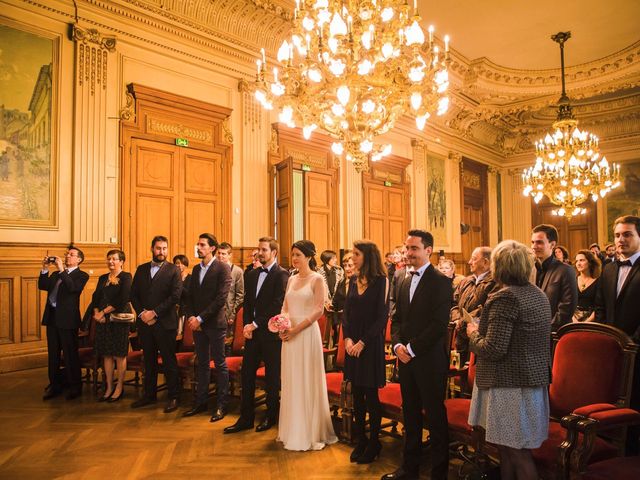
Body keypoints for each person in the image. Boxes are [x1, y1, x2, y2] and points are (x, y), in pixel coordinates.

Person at [467, 240, 551, 480]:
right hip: (531, 382)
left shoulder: (505, 298)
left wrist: (473, 333)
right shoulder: (538, 295)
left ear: (498, 267)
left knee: (516, 451)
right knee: (508, 448)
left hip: (509, 385)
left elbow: (493, 348)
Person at [382, 230, 452, 480]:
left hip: (429, 361)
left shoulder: (440, 281)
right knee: (409, 415)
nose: (408, 253)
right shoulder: (400, 277)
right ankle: (408, 469)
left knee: (435, 419)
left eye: (414, 248)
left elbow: (438, 324)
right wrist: (398, 346)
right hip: (405, 359)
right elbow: (397, 318)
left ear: (428, 251)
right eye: (406, 247)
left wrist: (411, 349)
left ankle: (439, 473)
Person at [276, 240, 338, 451]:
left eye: (298, 255)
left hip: (306, 334)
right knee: (292, 380)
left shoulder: (317, 279)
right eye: (293, 254)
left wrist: (296, 329)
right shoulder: (291, 279)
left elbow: (318, 310)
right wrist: (283, 324)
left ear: (309, 257)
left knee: (306, 379)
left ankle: (309, 432)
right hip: (289, 336)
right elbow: (285, 305)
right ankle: (292, 429)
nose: (294, 259)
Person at [224, 237, 289, 434]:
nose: (259, 253)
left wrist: (254, 324)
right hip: (252, 334)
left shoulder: (282, 275)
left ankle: (270, 417)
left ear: (274, 253)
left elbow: (277, 304)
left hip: (270, 335)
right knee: (247, 376)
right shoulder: (251, 275)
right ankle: (246, 418)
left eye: (263, 250)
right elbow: (247, 303)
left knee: (272, 378)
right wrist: (245, 326)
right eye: (258, 249)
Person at [595, 215, 640, 454]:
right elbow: (601, 308)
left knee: (635, 404)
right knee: (610, 400)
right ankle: (609, 451)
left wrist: (631, 344)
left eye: (627, 234)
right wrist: (604, 340)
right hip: (610, 349)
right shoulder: (609, 269)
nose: (621, 240)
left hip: (637, 349)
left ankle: (632, 455)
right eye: (617, 235)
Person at [343, 240, 388, 463]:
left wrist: (362, 342)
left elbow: (382, 318)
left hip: (370, 345)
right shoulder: (352, 280)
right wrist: (348, 338)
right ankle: (361, 439)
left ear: (368, 257)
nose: (353, 257)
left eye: (357, 254)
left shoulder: (381, 281)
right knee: (357, 396)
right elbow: (346, 314)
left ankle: (374, 443)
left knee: (371, 396)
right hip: (353, 344)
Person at [181, 233, 232, 421]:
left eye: (202, 245)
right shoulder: (196, 269)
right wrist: (193, 316)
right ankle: (201, 402)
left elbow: (221, 299)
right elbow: (191, 296)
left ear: (212, 248)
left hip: (214, 324)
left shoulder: (222, 268)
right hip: (199, 324)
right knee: (202, 363)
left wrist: (200, 318)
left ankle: (221, 404)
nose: (198, 247)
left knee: (219, 363)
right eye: (198, 244)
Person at [130, 236, 183, 413]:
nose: (162, 252)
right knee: (149, 360)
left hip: (165, 323)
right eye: (159, 248)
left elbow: (175, 296)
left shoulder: (174, 270)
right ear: (152, 249)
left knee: (169, 360)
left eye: (165, 248)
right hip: (145, 323)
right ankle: (149, 395)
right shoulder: (142, 269)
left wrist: (155, 313)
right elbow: (133, 295)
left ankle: (174, 396)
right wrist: (142, 314)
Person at [39, 245, 89, 400]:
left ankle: (75, 386)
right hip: (52, 318)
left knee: (70, 354)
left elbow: (72, 288)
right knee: (53, 355)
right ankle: (55, 386)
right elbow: (43, 285)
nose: (67, 256)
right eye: (67, 254)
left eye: (71, 254)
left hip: (68, 320)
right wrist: (45, 268)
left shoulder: (82, 275)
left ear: (79, 259)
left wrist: (62, 270)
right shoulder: (55, 274)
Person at [87, 249, 132, 402]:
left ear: (121, 262)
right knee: (107, 354)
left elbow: (123, 299)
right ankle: (109, 387)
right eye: (108, 259)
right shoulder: (102, 278)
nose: (110, 262)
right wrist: (96, 313)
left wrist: (104, 312)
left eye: (114, 259)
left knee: (119, 354)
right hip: (102, 320)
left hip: (118, 319)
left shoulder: (126, 277)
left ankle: (119, 386)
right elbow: (95, 297)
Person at [451, 246, 498, 365]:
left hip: (478, 336)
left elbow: (485, 309)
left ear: (485, 262)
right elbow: (453, 303)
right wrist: (456, 318)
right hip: (461, 336)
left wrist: (462, 322)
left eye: (474, 259)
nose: (469, 262)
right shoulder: (465, 281)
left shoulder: (495, 282)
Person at [531, 224, 577, 331]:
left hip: (555, 334)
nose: (534, 246)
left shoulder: (566, 270)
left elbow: (567, 308)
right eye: (532, 242)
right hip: (531, 333)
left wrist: (546, 329)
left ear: (552, 245)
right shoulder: (529, 269)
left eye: (539, 242)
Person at [216, 242, 245, 338]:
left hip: (229, 314)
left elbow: (240, 295)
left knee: (227, 342)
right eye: (219, 253)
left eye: (223, 254)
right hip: (214, 313)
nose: (220, 256)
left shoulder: (237, 271)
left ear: (230, 255)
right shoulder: (214, 269)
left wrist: (233, 314)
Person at [318, 249, 344, 346]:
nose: (336, 260)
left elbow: (341, 288)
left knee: (337, 328)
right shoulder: (318, 272)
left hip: (337, 304)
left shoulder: (339, 270)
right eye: (333, 258)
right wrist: (326, 302)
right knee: (326, 331)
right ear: (327, 259)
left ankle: (336, 350)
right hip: (324, 305)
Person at [573, 249, 601, 323]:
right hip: (572, 320)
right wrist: (574, 321)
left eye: (581, 260)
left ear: (590, 262)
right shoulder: (573, 280)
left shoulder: (599, 281)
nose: (578, 263)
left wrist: (586, 322)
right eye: (577, 261)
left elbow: (599, 307)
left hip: (591, 321)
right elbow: (568, 303)